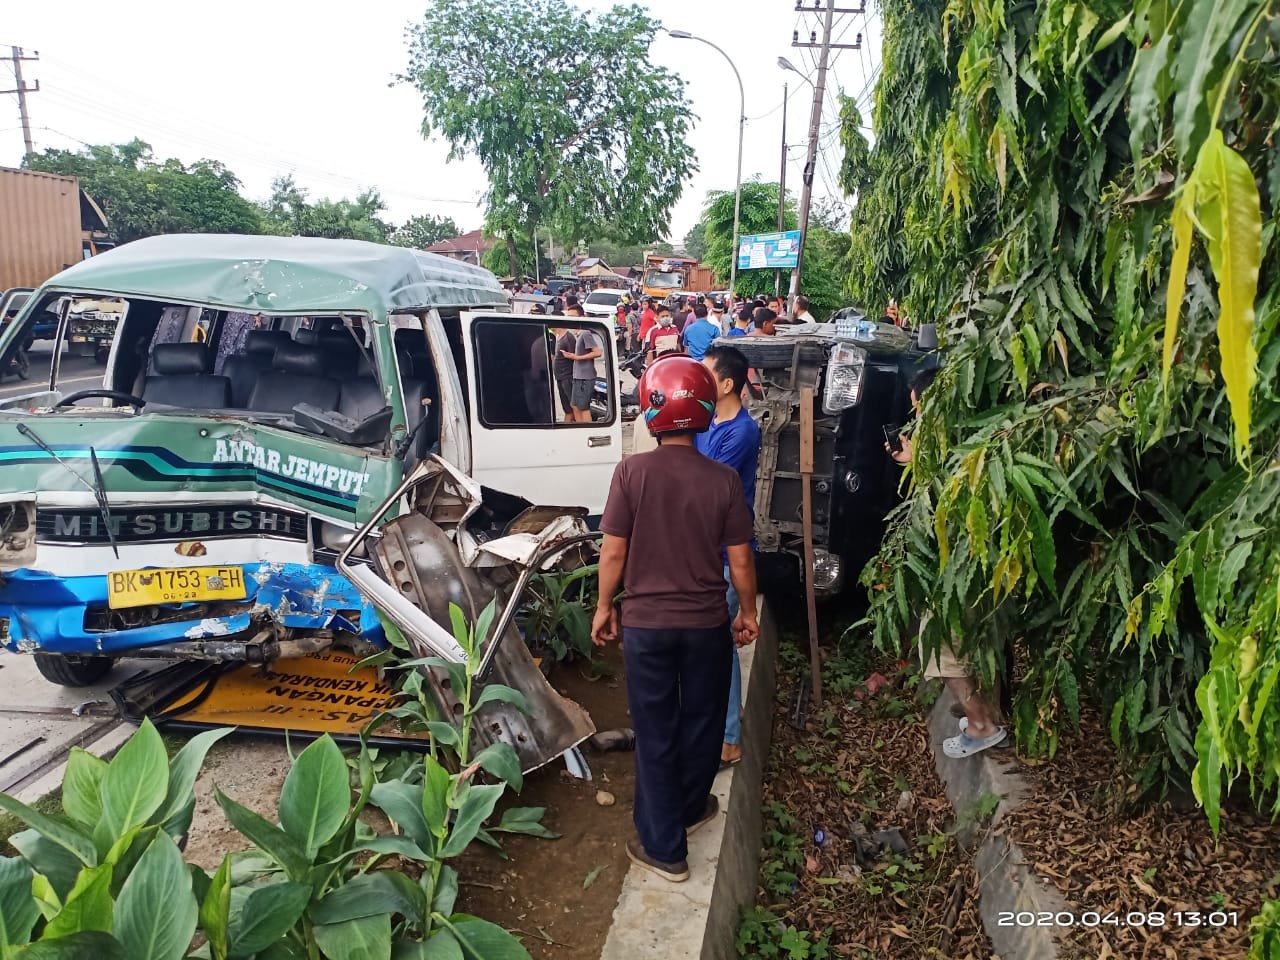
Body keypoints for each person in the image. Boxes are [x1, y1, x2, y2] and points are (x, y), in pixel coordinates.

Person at [592, 355, 760, 883]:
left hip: (648, 628)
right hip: (707, 624)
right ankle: (689, 809)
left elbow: (613, 552)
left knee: (656, 728)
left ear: (651, 410)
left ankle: (665, 848)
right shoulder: (723, 482)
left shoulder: (631, 473)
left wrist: (603, 607)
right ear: (708, 409)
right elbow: (740, 559)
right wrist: (748, 612)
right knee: (703, 722)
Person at [887, 368, 1006, 758]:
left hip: (961, 566)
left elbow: (946, 509)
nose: (917, 418)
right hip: (984, 564)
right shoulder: (975, 436)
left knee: (942, 648)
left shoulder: (945, 449)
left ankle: (982, 725)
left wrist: (916, 464)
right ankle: (988, 714)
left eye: (919, 408)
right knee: (975, 642)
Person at [697, 345, 760, 769]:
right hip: (704, 549)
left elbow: (702, 482)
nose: (697, 382)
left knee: (719, 648)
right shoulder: (707, 419)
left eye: (705, 375)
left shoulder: (741, 432)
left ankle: (729, 741)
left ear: (726, 384)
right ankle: (725, 724)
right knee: (715, 646)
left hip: (724, 552)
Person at [558, 305, 601, 423]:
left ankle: (588, 431)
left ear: (581, 317)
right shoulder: (577, 334)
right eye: (569, 316)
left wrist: (576, 357)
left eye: (573, 316)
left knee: (583, 407)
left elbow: (597, 352)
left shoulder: (585, 333)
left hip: (585, 377)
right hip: (577, 376)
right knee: (575, 406)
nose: (570, 319)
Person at [551, 325, 576, 422]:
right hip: (560, 377)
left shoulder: (568, 337)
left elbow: (574, 356)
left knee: (573, 407)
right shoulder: (557, 337)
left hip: (568, 377)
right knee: (567, 408)